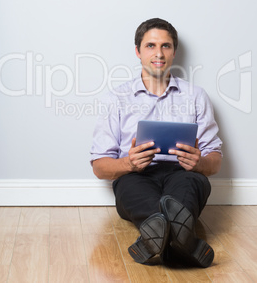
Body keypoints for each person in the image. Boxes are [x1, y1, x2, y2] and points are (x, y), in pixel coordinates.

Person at [90, 18, 222, 268]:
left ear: (174, 51)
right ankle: (183, 242)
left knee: (191, 185)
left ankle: (154, 238)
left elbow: (214, 161)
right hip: (135, 175)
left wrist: (200, 162)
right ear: (138, 51)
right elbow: (99, 167)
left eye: (166, 46)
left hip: (183, 173)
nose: (158, 53)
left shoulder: (196, 96)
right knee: (131, 189)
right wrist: (129, 163)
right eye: (150, 46)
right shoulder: (115, 99)